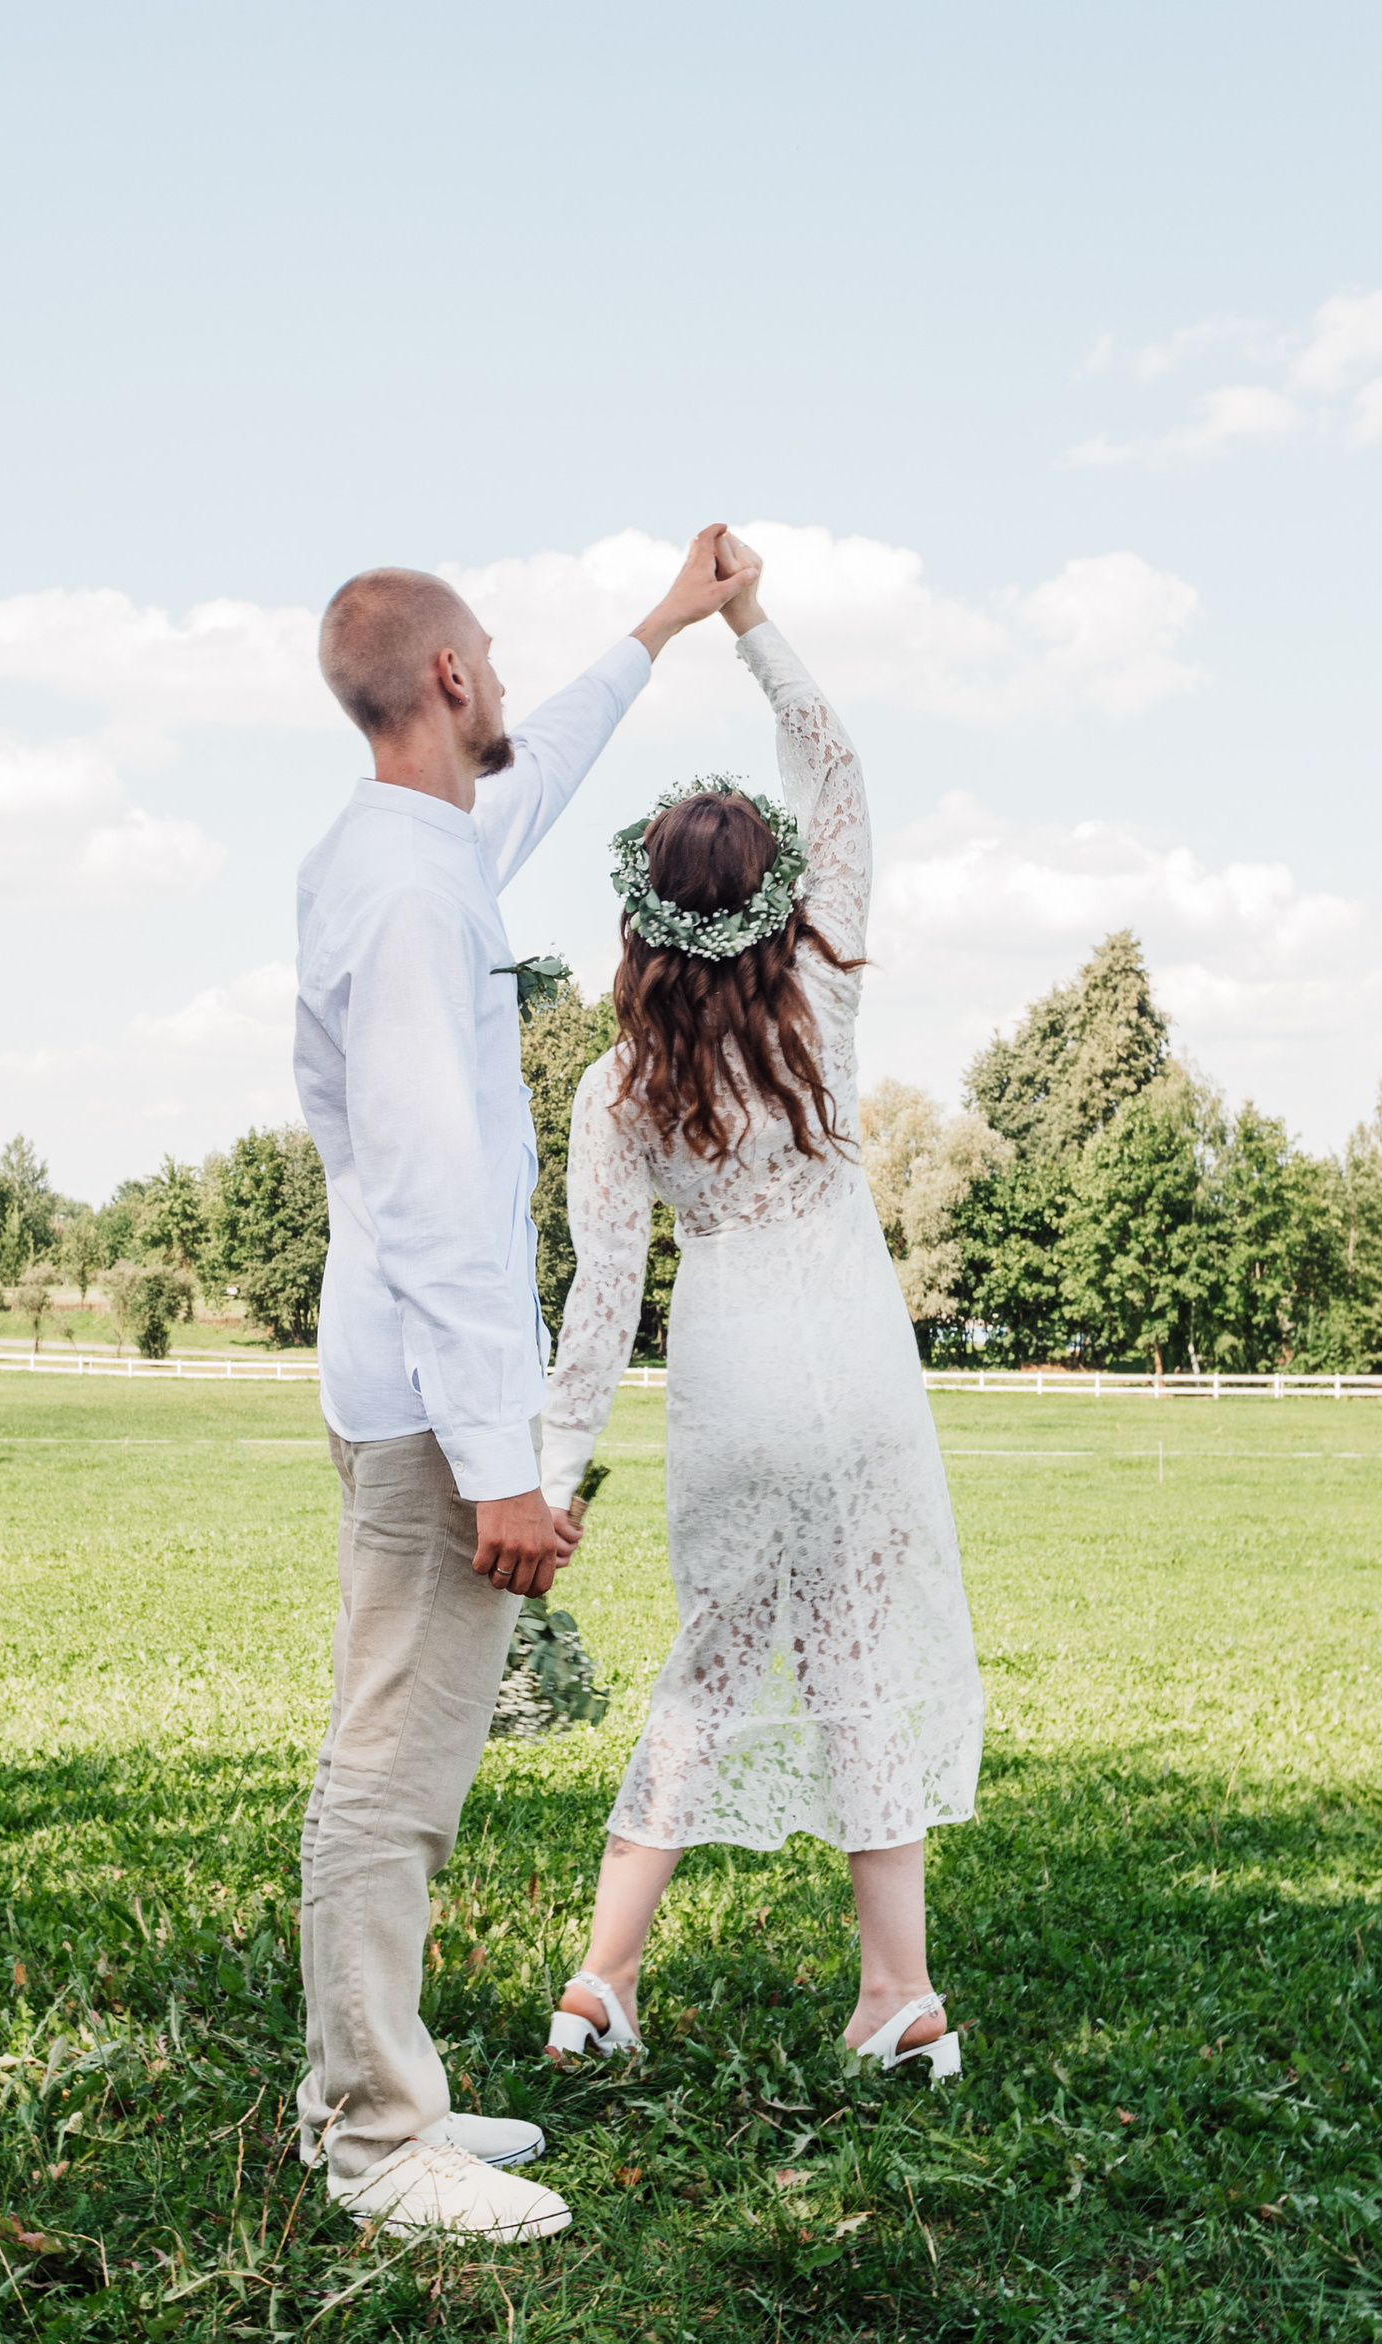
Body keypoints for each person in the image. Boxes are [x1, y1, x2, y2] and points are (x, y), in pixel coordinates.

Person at [292, 527, 748, 2241]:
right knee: (395, 1770)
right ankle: (375, 2139)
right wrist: (503, 1469)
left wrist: (660, 627)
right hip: (429, 1398)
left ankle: (376, 2076)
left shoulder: (411, 849)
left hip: (393, 1375)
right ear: (448, 678)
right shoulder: (415, 895)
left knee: (401, 1748)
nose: (507, 680)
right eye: (495, 651)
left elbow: (539, 766)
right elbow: (430, 1194)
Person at [540, 532, 985, 2080]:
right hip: (853, 1363)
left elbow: (600, 1308)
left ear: (643, 918)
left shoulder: (617, 1089)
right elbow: (842, 767)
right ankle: (896, 1995)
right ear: (775, 899)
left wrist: (547, 1481)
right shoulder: (825, 1000)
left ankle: (601, 1984)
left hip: (730, 1370)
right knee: (855, 1655)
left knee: (709, 1666)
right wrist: (755, 623)